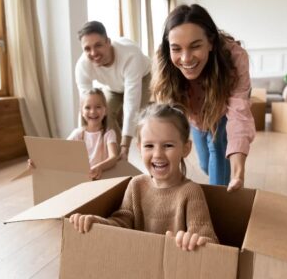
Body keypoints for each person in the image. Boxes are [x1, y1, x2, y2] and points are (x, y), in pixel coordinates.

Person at [69, 104, 219, 251]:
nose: (158, 154)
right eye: (149, 146)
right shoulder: (136, 185)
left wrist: (197, 241)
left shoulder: (191, 192)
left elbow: (208, 239)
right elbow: (122, 223)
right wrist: (98, 222)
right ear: (139, 148)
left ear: (185, 148)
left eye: (168, 145)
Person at [151, 4, 255, 191]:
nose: (186, 58)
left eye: (195, 46)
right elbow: (164, 117)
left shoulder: (235, 57)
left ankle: (219, 203)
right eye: (176, 49)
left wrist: (238, 174)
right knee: (206, 165)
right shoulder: (165, 61)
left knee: (216, 146)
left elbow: (239, 115)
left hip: (222, 110)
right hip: (195, 116)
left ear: (211, 42)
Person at [75, 20, 151, 160]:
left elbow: (131, 104)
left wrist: (125, 146)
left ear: (108, 42)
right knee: (104, 114)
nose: (93, 53)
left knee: (137, 119)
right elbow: (85, 107)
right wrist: (82, 140)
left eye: (98, 45)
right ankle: (114, 157)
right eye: (87, 49)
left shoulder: (130, 55)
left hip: (142, 77)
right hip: (112, 86)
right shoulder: (82, 66)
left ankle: (137, 153)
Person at [29, 89, 118, 180]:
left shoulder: (109, 134)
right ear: (82, 112)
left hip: (101, 179)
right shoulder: (78, 133)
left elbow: (113, 157)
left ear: (105, 110)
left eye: (98, 107)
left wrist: (99, 167)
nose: (92, 111)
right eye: (87, 107)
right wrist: (38, 161)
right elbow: (59, 150)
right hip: (81, 178)